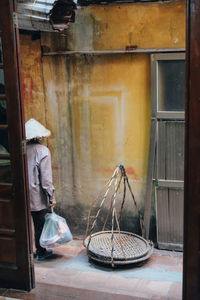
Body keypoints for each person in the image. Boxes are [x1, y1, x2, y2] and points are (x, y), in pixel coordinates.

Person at [25, 118, 56, 261]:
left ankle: (25, 254)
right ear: (40, 136)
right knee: (39, 225)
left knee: (24, 225)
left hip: (21, 194)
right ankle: (40, 251)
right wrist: (51, 197)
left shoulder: (21, 150)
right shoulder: (43, 151)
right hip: (37, 196)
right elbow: (46, 180)